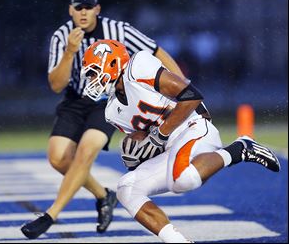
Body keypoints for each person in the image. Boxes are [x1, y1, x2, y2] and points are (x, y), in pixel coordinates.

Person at [20, 0, 185, 240]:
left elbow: (156, 51)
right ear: (70, 10)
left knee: (86, 151)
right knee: (58, 158)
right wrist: (69, 52)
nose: (83, 12)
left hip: (110, 101)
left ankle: (50, 215)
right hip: (76, 99)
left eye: (88, 7)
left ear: (97, 9)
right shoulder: (61, 36)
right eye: (78, 7)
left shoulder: (119, 30)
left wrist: (180, 85)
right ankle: (103, 195)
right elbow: (56, 85)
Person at [79, 39, 281, 243]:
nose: (92, 79)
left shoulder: (137, 67)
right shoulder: (113, 112)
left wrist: (159, 134)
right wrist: (136, 155)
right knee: (127, 188)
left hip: (193, 127)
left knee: (182, 180)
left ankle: (239, 149)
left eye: (94, 71)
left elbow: (192, 96)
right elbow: (148, 141)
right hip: (169, 146)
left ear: (112, 63)